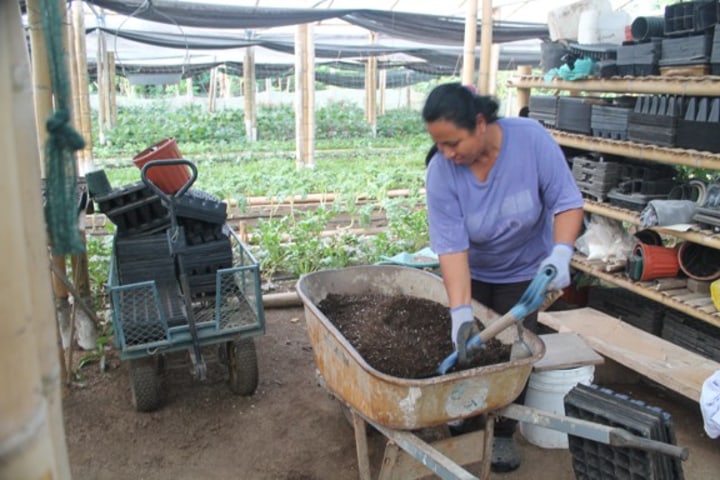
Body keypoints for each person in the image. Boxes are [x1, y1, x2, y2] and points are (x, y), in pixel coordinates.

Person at [422, 82, 584, 473]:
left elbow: (566, 201)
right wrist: (460, 312)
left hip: (526, 272)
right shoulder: (442, 173)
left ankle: (505, 432)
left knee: (515, 352)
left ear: (480, 123)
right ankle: (465, 424)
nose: (446, 153)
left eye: (452, 142)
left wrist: (561, 252)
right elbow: (452, 248)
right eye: (438, 144)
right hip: (473, 273)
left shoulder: (530, 142)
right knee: (470, 349)